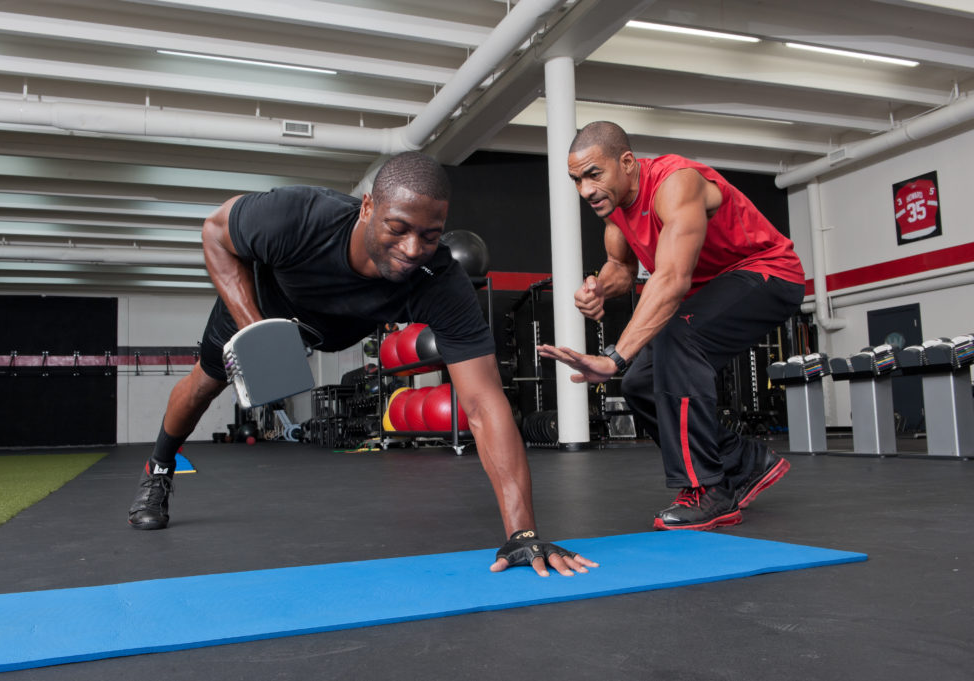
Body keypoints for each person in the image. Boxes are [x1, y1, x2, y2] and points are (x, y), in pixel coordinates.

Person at [127, 151, 596, 577]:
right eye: (398, 228)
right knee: (204, 386)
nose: (412, 249)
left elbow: (483, 402)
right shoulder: (298, 217)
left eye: (429, 235)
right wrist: (258, 333)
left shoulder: (438, 281)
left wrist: (522, 533)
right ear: (368, 207)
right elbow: (215, 232)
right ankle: (159, 469)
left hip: (334, 331)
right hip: (260, 306)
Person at [538, 121, 805, 531]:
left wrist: (614, 358)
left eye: (593, 174)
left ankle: (709, 490)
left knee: (677, 336)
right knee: (639, 383)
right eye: (577, 180)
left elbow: (671, 280)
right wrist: (598, 288)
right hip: (713, 289)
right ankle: (743, 463)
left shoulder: (675, 184)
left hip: (769, 274)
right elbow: (621, 267)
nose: (586, 190)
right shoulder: (615, 208)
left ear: (627, 162)